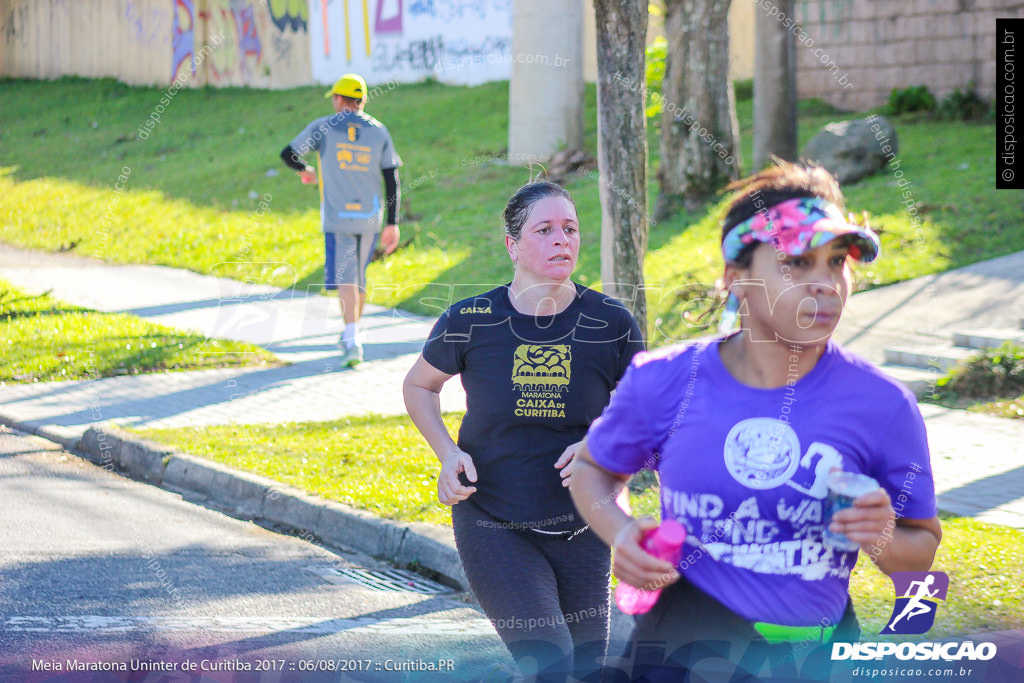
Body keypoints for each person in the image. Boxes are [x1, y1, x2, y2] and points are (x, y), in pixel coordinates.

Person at [569, 161, 942, 681]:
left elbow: (919, 554)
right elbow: (593, 468)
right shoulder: (664, 380)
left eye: (836, 263)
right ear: (735, 277)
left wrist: (879, 536)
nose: (826, 284)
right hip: (683, 648)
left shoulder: (883, 405)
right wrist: (623, 531)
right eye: (797, 262)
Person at [403, 181, 645, 681]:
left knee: (583, 668)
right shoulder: (472, 319)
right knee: (551, 662)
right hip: (495, 523)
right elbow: (419, 387)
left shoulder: (611, 322)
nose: (563, 239)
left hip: (584, 527)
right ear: (513, 245)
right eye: (545, 229)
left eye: (571, 228)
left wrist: (602, 447)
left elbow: (647, 415)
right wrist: (447, 454)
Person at [281, 73, 402, 366]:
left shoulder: (323, 127)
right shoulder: (379, 130)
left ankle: (351, 338)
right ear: (362, 101)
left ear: (337, 99)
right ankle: (353, 332)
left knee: (347, 277)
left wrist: (306, 170)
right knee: (358, 277)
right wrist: (392, 222)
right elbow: (392, 177)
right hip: (371, 217)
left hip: (338, 217)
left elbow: (289, 154)